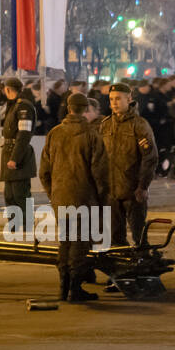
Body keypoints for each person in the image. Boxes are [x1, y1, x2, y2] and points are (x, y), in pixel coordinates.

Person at [38, 92, 109, 303]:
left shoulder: (54, 133)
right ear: (85, 109)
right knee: (80, 244)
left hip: (61, 198)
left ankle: (63, 287)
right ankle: (75, 289)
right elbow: (100, 172)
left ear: (69, 108)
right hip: (84, 197)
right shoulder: (92, 134)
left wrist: (53, 194)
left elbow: (44, 171)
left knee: (66, 242)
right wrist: (101, 197)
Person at [98, 82, 158, 254]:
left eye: (118, 99)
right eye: (111, 99)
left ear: (129, 99)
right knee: (116, 238)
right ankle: (121, 274)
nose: (114, 103)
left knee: (139, 237)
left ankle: (142, 272)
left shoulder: (140, 125)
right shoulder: (105, 124)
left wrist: (143, 186)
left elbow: (150, 157)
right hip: (111, 193)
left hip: (133, 191)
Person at [0, 76, 37, 234]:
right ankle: (14, 227)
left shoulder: (23, 107)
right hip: (9, 153)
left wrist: (15, 158)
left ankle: (27, 227)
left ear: (8, 90)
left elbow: (24, 134)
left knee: (20, 194)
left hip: (18, 155)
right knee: (10, 195)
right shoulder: (14, 105)